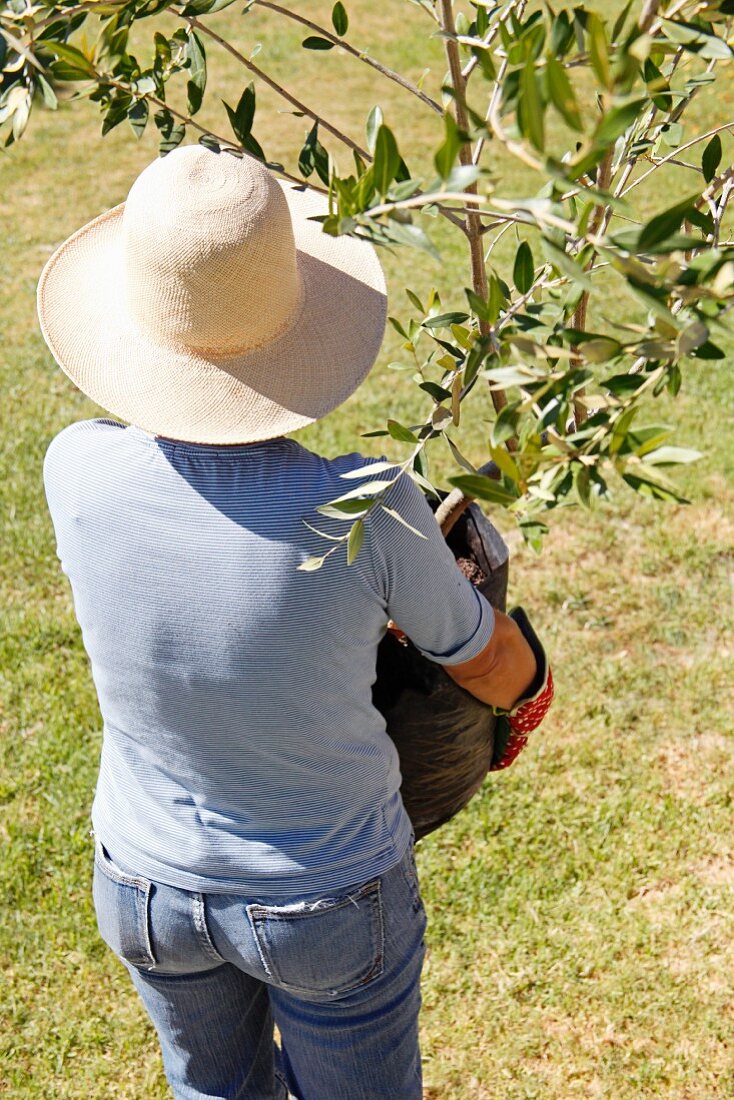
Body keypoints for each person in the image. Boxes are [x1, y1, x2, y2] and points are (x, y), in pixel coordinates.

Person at [38, 145, 553, 1100]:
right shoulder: (370, 506)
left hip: (146, 885)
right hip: (329, 894)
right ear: (299, 316)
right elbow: (492, 669)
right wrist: (528, 682)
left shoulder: (74, 469)